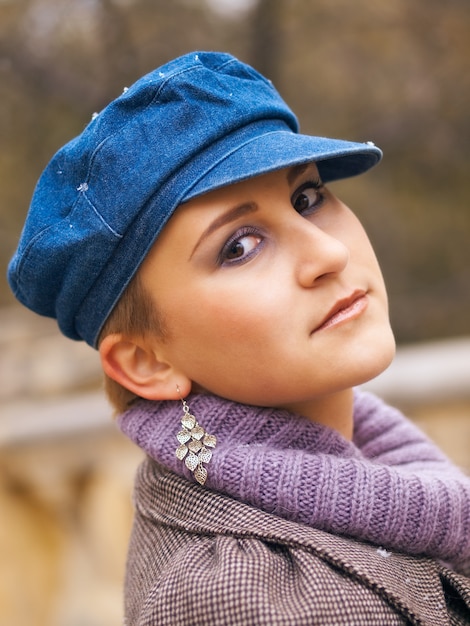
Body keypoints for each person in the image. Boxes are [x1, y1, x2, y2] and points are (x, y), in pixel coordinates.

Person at [8, 51, 470, 625]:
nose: (329, 254)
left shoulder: (377, 463)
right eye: (239, 246)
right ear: (144, 361)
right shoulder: (238, 596)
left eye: (308, 197)